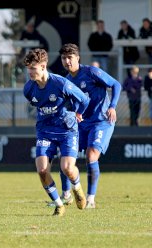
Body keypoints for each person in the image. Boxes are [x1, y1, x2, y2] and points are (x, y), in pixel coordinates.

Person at [23, 48, 89, 216]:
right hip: (45, 131)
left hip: (67, 130)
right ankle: (59, 204)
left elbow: (83, 99)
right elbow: (38, 105)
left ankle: (77, 187)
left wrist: (78, 113)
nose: (30, 72)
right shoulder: (29, 89)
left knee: (67, 168)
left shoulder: (60, 83)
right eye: (28, 68)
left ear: (43, 66)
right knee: (42, 170)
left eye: (33, 68)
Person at [57, 43, 121, 209]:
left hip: (102, 121)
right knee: (66, 155)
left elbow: (116, 84)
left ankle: (90, 199)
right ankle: (66, 195)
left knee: (91, 156)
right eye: (64, 58)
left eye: (70, 57)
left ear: (77, 58)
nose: (67, 61)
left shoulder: (92, 72)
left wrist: (112, 106)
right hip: (82, 123)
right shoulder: (67, 81)